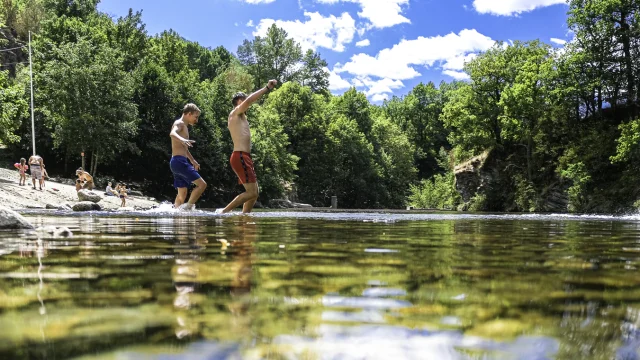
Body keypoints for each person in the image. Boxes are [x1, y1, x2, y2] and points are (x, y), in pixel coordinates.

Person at [217, 80, 277, 214]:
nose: (246, 102)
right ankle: (223, 213)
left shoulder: (241, 116)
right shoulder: (235, 112)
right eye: (243, 99)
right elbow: (250, 100)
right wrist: (267, 88)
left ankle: (245, 217)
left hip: (244, 157)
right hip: (240, 156)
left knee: (254, 193)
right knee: (251, 192)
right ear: (238, 101)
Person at [169, 103, 207, 211]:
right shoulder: (179, 123)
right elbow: (172, 133)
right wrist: (183, 140)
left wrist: (193, 160)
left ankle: (175, 214)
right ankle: (188, 207)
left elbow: (184, 148)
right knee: (202, 185)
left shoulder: (185, 127)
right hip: (179, 162)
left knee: (182, 193)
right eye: (196, 116)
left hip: (176, 162)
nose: (197, 120)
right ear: (189, 114)